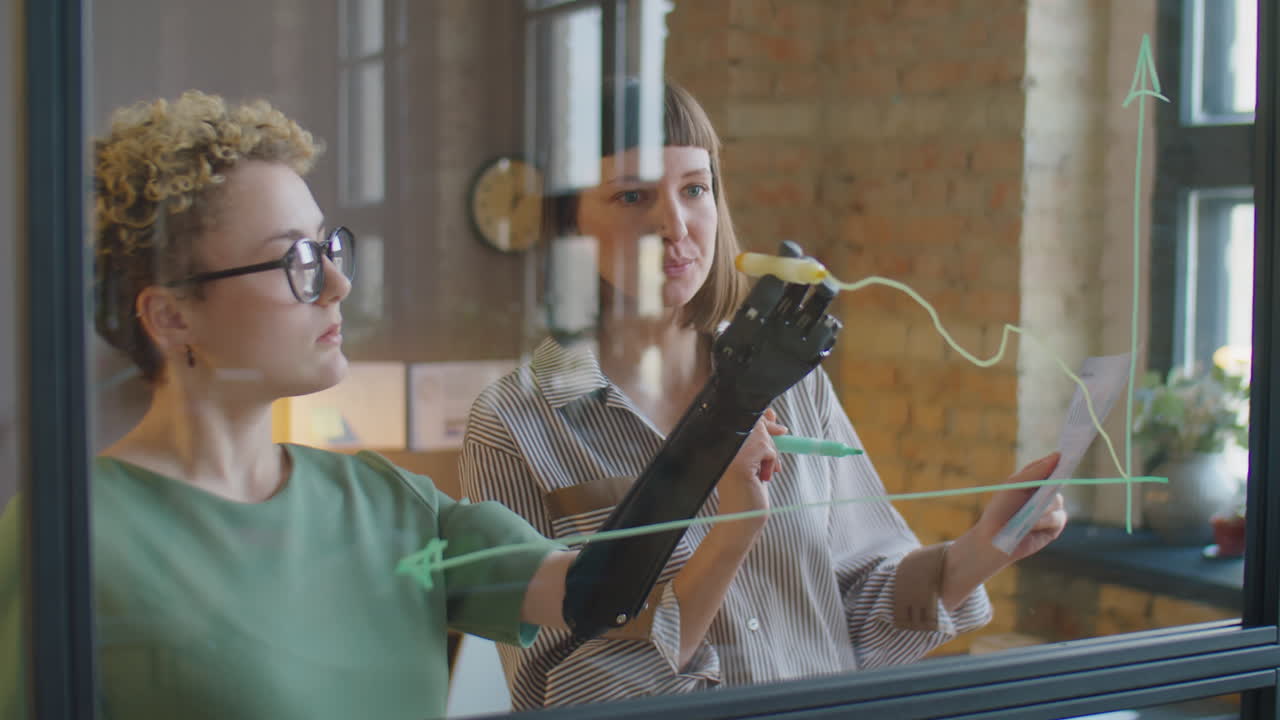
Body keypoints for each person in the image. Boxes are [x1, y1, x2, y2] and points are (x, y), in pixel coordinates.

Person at [0, 90, 781, 720]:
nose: (338, 285)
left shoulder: (394, 509)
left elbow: (602, 597)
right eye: (294, 261)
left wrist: (723, 425)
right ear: (171, 317)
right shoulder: (66, 537)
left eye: (329, 247)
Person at [459, 79, 1069, 710]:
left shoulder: (790, 378)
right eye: (633, 195)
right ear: (566, 224)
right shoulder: (514, 425)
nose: (676, 224)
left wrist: (983, 548)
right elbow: (559, 698)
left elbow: (856, 608)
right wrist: (729, 536)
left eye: (695, 188)